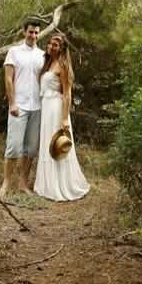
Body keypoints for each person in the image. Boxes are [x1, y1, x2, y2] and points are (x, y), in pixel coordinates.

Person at [34, 33, 90, 201]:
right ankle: (47, 184)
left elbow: (67, 94)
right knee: (47, 143)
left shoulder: (63, 65)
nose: (51, 47)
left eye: (55, 45)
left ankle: (62, 184)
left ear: (62, 48)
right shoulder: (48, 63)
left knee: (58, 143)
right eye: (50, 44)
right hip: (46, 108)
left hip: (57, 109)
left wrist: (65, 118)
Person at [0, 19, 44, 199]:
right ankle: (6, 184)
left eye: (36, 33)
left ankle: (23, 183)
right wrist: (12, 103)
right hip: (19, 106)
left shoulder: (42, 55)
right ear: (24, 32)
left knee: (31, 149)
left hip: (37, 107)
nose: (33, 35)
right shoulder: (14, 52)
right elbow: (8, 79)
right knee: (14, 146)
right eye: (31, 32)